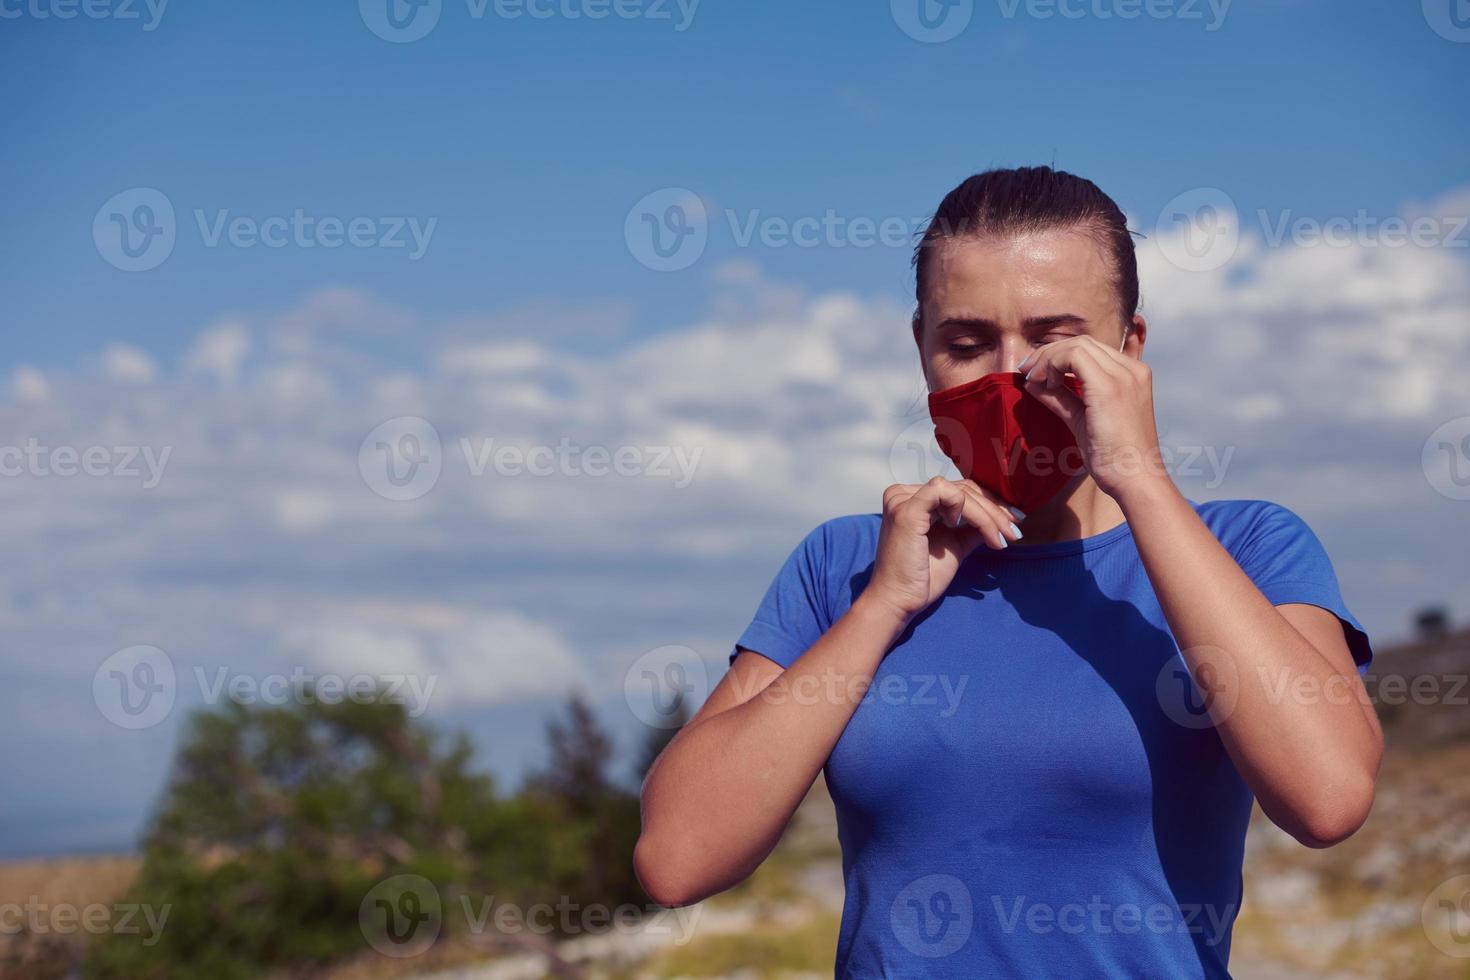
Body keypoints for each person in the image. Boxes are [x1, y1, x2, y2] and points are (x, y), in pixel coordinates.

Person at [634, 166, 1381, 978]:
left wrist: (1142, 479)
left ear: (1130, 347)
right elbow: (679, 860)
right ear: (920, 348)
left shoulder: (1246, 548)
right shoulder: (845, 566)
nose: (1012, 375)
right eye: (966, 343)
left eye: (1056, 340)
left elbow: (1328, 797)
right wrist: (881, 608)